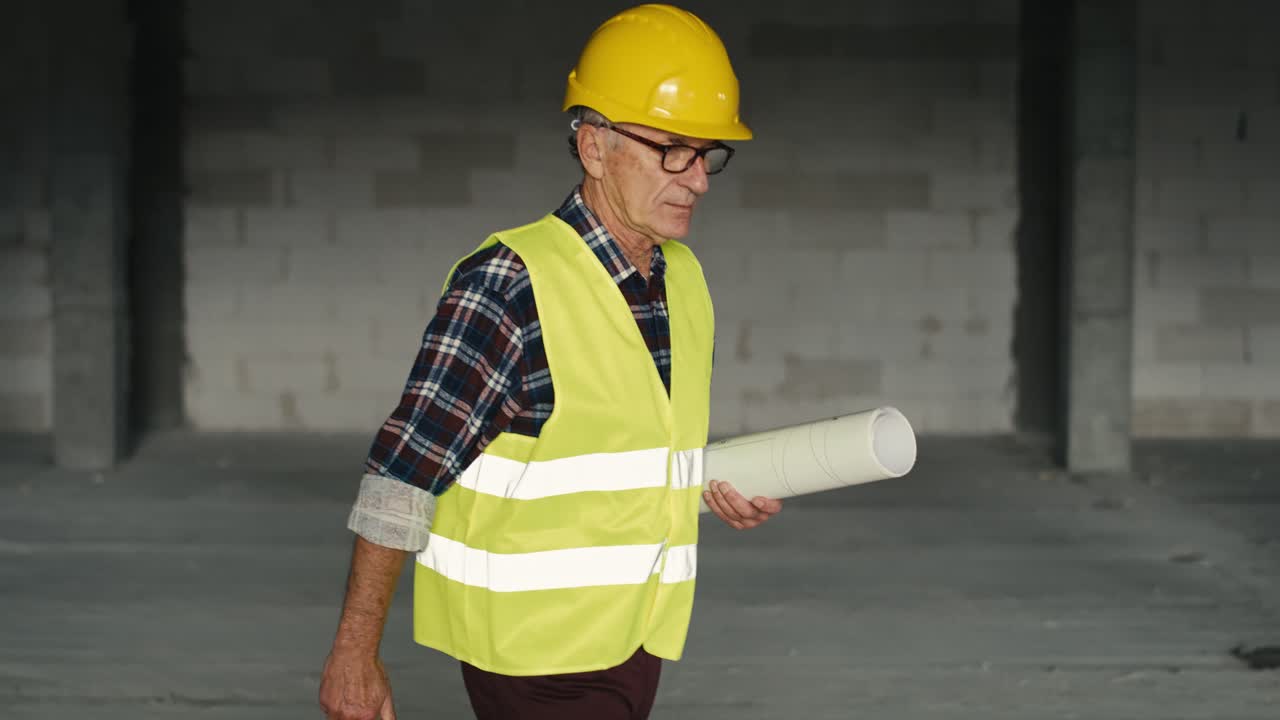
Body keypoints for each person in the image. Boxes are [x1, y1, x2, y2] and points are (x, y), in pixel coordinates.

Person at [319, 5, 782, 719]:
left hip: (636, 635)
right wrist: (355, 653)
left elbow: (620, 452)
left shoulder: (682, 282)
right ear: (594, 147)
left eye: (708, 153)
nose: (698, 180)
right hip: (536, 655)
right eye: (672, 150)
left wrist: (714, 486)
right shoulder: (508, 287)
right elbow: (403, 473)